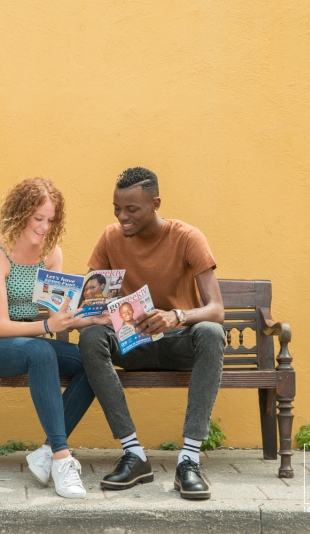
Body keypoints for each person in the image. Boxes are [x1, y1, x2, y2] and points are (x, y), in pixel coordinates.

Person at [79, 167, 225, 500]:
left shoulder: (188, 237)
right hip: (133, 344)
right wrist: (94, 312)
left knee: (211, 332)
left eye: (132, 209)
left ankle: (189, 460)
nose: (122, 217)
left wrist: (177, 316)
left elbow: (217, 309)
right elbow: (90, 303)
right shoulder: (110, 237)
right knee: (90, 337)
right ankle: (134, 455)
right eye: (117, 208)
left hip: (177, 343)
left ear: (155, 203)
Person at [0, 177, 110, 499]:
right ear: (20, 214)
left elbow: (56, 318)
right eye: (38, 219)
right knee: (41, 352)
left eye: (51, 220)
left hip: (28, 338)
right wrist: (48, 328)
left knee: (92, 360)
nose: (44, 227)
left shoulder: (50, 254)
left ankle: (46, 451)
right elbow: (2, 326)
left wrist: (88, 317)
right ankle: (61, 458)